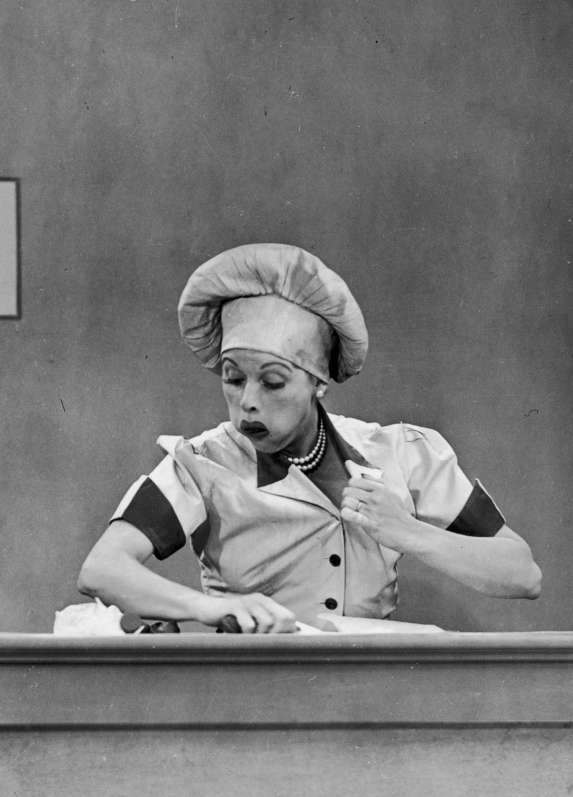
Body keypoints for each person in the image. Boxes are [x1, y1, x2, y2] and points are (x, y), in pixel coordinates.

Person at [78, 243, 541, 633]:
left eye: (273, 382)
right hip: (252, 694)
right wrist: (210, 608)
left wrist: (408, 532)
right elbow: (102, 568)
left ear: (319, 383)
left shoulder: (404, 452)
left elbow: (522, 574)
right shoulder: (201, 462)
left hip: (369, 693)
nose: (248, 402)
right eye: (233, 378)